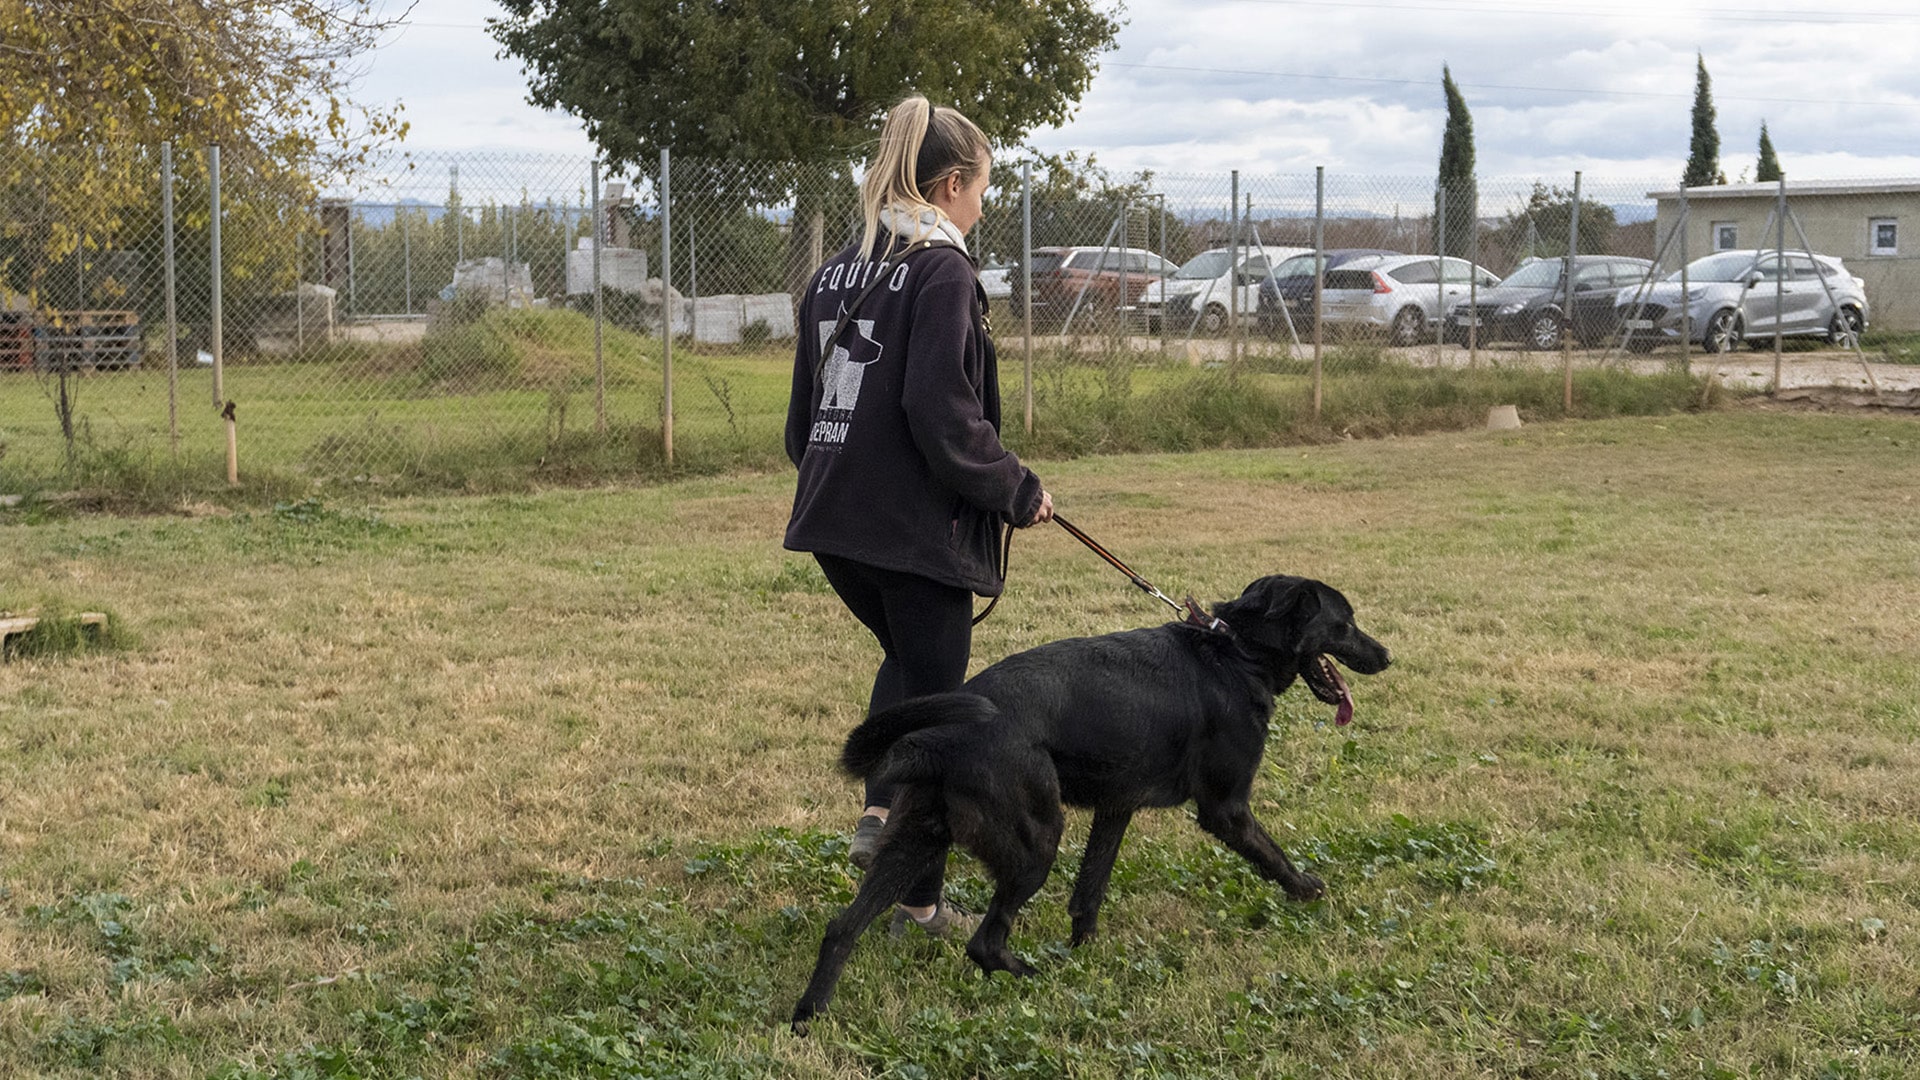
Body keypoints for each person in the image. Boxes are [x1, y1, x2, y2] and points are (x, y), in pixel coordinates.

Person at [784, 95, 1053, 936]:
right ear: (948, 185)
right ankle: (919, 902)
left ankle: (877, 812)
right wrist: (1016, 488)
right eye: (981, 189)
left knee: (908, 665)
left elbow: (801, 426)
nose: (984, 205)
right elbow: (943, 412)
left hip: (834, 522)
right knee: (939, 718)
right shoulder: (942, 271)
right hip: (910, 531)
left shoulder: (836, 271)